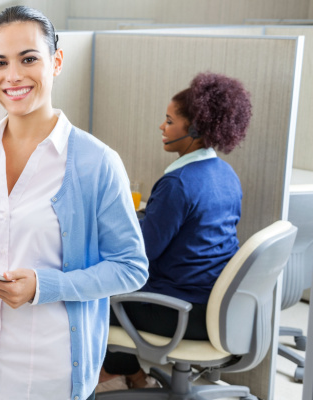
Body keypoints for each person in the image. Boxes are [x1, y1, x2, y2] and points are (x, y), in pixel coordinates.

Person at [0, 6, 148, 400]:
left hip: (47, 377)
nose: (13, 76)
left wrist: (45, 286)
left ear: (55, 62)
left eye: (29, 59)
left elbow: (131, 267)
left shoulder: (96, 162)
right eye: (0, 63)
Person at [96, 72, 252, 392]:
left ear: (195, 129)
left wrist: (111, 223)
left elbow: (139, 255)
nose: (162, 127)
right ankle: (137, 377)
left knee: (96, 294)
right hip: (213, 303)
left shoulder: (178, 184)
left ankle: (105, 373)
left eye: (169, 121)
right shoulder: (225, 173)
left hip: (180, 311)